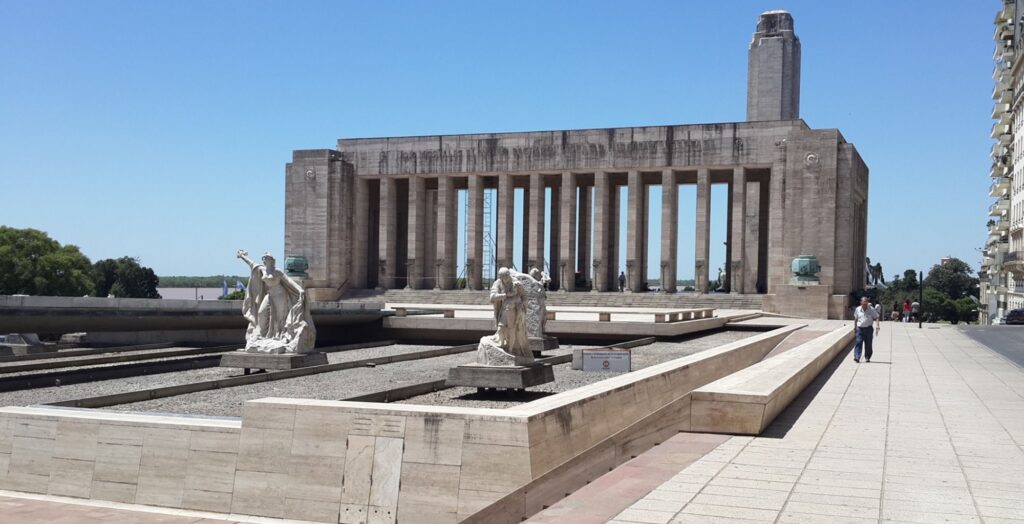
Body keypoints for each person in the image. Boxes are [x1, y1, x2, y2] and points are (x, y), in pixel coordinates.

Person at [853, 296, 881, 363]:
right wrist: (855, 327)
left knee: (868, 344)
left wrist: (877, 325)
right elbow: (856, 318)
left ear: (867, 303)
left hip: (868, 329)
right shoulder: (857, 309)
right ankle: (857, 357)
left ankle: (867, 357)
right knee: (858, 342)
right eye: (863, 303)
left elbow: (877, 317)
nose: (865, 305)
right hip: (860, 329)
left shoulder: (871, 309)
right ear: (861, 303)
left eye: (866, 303)